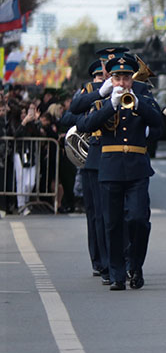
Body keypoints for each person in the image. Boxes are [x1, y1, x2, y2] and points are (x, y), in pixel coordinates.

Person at [76, 52, 163, 290]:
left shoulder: (142, 95)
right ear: (110, 79)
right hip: (110, 167)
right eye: (117, 77)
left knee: (138, 220)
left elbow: (158, 123)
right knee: (112, 223)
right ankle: (116, 274)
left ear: (132, 78)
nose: (122, 82)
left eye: (126, 77)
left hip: (137, 167)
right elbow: (84, 123)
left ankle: (135, 265)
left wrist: (138, 104)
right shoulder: (101, 99)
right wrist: (110, 105)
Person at [64, 58, 110, 281]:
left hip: (117, 158)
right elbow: (69, 116)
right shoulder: (90, 91)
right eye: (101, 75)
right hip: (92, 157)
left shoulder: (129, 89)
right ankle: (100, 260)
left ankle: (119, 260)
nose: (105, 78)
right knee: (96, 215)